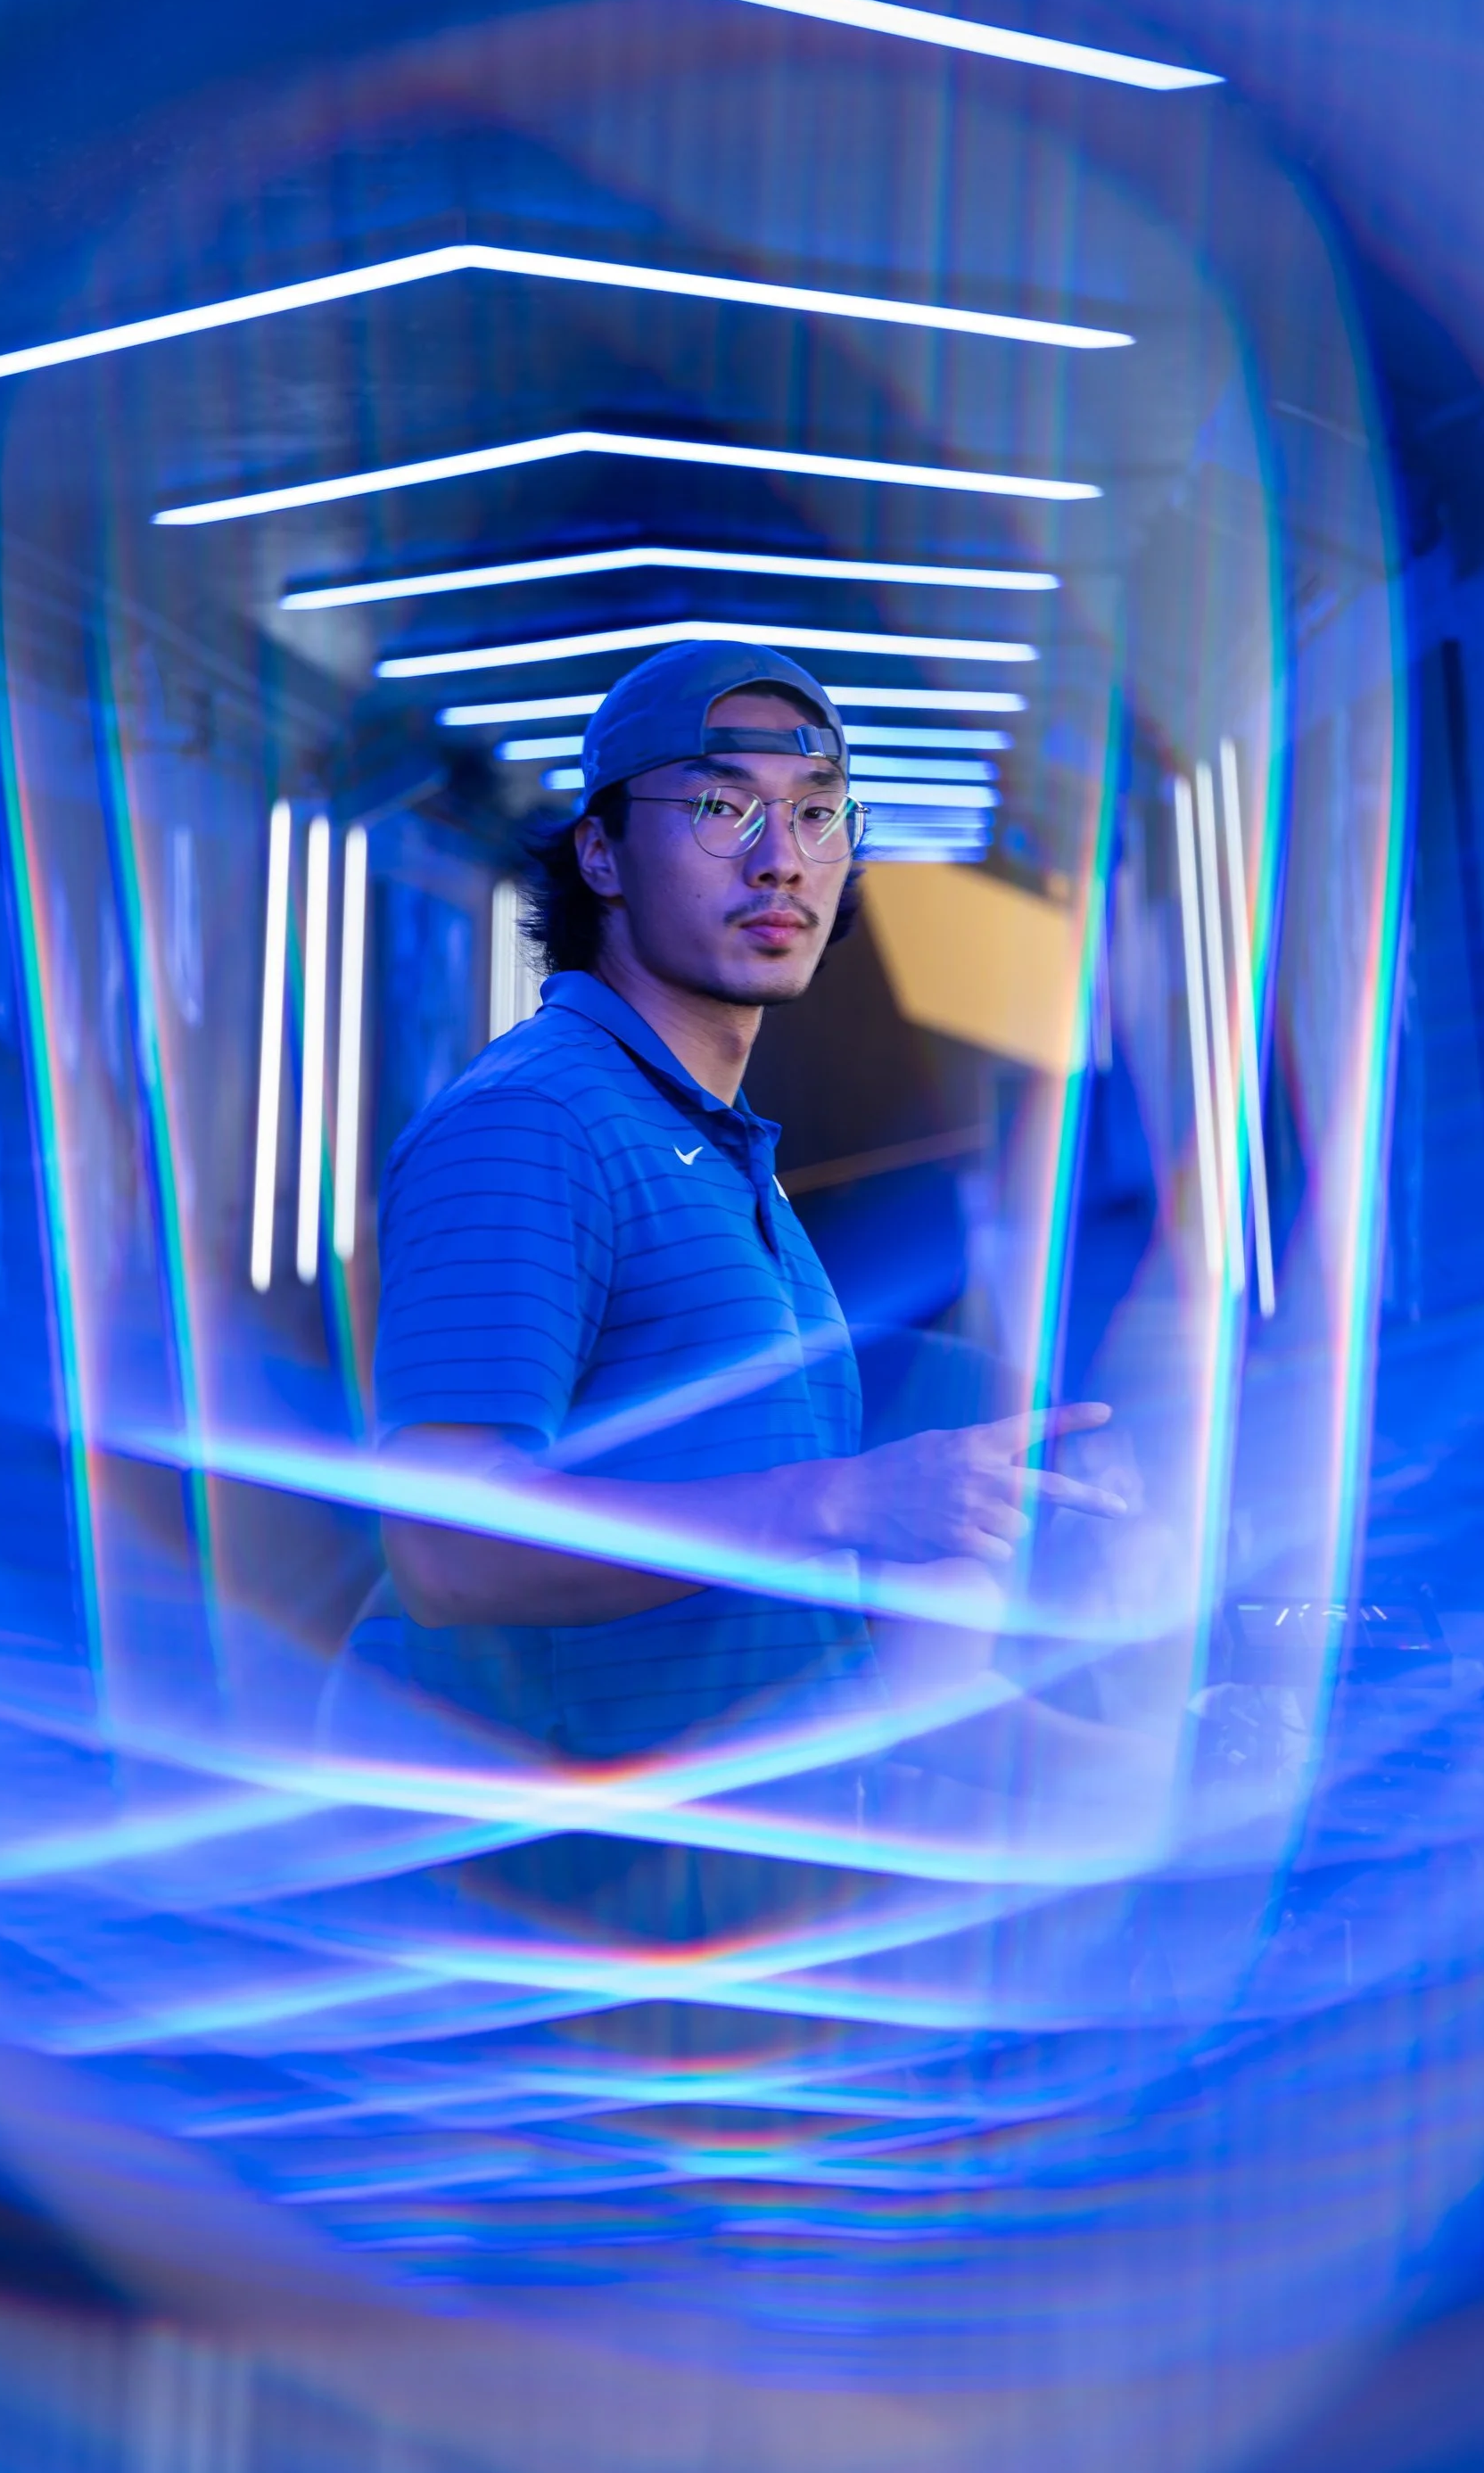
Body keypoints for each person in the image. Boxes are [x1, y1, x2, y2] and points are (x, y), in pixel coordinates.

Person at [358, 639, 1122, 1762]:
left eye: (819, 812)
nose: (783, 861)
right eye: (722, 806)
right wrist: (839, 1502)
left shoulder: (706, 1142)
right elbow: (447, 1549)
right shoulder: (533, 1124)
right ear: (603, 854)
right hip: (588, 1884)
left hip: (740, 1865)